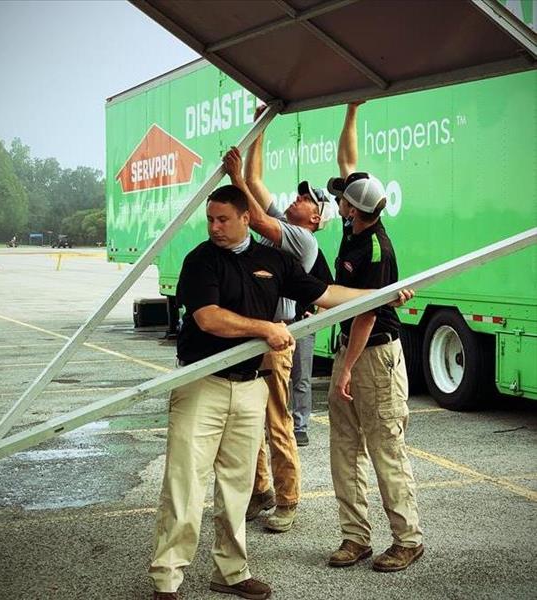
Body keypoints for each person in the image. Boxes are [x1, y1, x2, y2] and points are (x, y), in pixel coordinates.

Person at [148, 183, 413, 599]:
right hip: (203, 384)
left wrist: (382, 297)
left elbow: (327, 294)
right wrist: (267, 329)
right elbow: (209, 318)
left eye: (223, 220)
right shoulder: (201, 261)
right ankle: (167, 578)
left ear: (245, 219)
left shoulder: (273, 260)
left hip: (251, 386)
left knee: (237, 488)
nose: (214, 228)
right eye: (210, 220)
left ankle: (231, 572)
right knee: (185, 483)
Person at [325, 102, 424, 573]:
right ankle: (355, 538)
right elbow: (348, 160)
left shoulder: (376, 249)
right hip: (351, 349)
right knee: (344, 447)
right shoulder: (354, 221)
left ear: (355, 209)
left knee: (385, 449)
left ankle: (408, 539)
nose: (338, 201)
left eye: (344, 199)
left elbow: (365, 314)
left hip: (375, 356)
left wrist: (344, 368)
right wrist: (351, 110)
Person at [221, 137, 333, 535]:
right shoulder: (283, 226)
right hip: (248, 339)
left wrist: (235, 179)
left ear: (317, 218)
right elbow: (256, 178)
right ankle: (261, 489)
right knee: (245, 421)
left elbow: (255, 210)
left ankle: (287, 500)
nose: (298, 198)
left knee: (277, 422)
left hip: (274, 342)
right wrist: (260, 131)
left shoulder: (301, 239)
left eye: (307, 199)